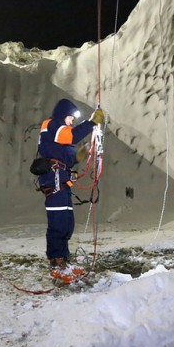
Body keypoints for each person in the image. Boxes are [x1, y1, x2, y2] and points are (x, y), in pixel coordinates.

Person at [36, 98, 105, 282]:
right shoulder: (52, 125)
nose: (71, 122)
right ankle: (56, 263)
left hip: (62, 180)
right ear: (62, 114)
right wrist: (91, 123)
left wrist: (79, 155)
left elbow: (68, 155)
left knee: (67, 223)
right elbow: (71, 136)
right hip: (54, 180)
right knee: (58, 223)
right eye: (70, 118)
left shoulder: (61, 134)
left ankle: (64, 261)